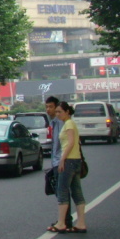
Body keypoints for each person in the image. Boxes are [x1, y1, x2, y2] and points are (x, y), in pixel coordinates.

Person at [49, 102, 87, 233]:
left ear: (67, 112)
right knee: (77, 192)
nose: (57, 114)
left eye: (60, 111)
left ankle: (61, 223)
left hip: (69, 161)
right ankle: (81, 223)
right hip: (76, 160)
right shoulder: (69, 124)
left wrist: (62, 159)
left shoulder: (69, 124)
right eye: (57, 112)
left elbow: (70, 143)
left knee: (62, 191)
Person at [44, 96, 72, 229]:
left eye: (50, 107)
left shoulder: (60, 122)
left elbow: (65, 143)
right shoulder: (54, 122)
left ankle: (65, 221)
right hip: (56, 160)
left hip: (61, 161)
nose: (48, 109)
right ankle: (65, 219)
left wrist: (61, 160)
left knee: (62, 191)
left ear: (57, 107)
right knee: (62, 190)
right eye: (47, 107)